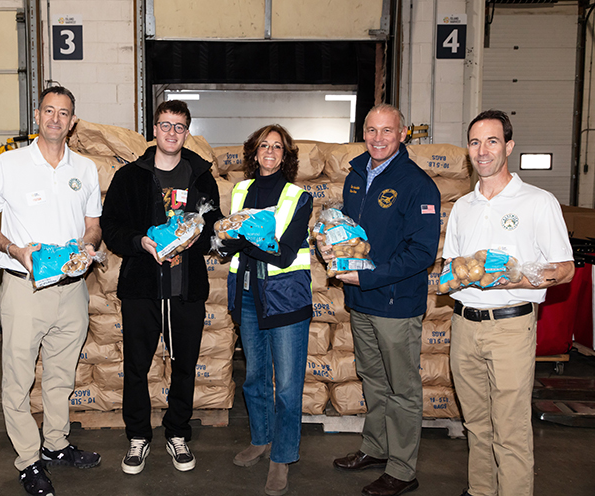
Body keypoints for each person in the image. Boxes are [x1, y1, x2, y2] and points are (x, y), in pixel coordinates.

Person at [0, 85, 102, 496]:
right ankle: (28, 460)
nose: (55, 119)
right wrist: (14, 249)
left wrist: (87, 246)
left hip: (72, 288)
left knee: (61, 375)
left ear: (72, 121)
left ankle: (55, 444)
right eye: (48, 111)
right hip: (24, 288)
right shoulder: (8, 164)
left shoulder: (84, 168)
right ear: (36, 115)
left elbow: (93, 225)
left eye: (64, 113)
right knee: (17, 378)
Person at [443, 110, 574, 496]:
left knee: (510, 428)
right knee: (477, 424)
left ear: (509, 147)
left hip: (511, 326)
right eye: (475, 142)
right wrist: (451, 276)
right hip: (464, 325)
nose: (482, 151)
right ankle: (481, 490)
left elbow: (565, 269)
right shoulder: (463, 207)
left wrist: (519, 277)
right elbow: (451, 266)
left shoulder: (537, 202)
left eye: (492, 141)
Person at [318, 104, 440, 496]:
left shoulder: (418, 184)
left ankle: (403, 470)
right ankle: (375, 447)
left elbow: (421, 253)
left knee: (402, 388)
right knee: (373, 379)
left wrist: (369, 276)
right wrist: (329, 242)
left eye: (387, 131)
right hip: (361, 300)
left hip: (395, 303)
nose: (378, 138)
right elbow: (353, 235)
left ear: (402, 134)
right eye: (371, 130)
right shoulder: (357, 176)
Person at [100, 100, 221, 476]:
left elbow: (213, 226)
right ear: (154, 129)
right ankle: (138, 436)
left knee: (184, 365)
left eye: (179, 127)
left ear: (188, 132)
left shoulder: (201, 176)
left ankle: (177, 432)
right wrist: (141, 242)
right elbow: (112, 229)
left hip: (186, 289)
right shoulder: (131, 176)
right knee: (136, 366)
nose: (172, 132)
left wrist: (192, 238)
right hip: (142, 288)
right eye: (165, 125)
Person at [225, 125, 313, 496]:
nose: (270, 151)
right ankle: (261, 439)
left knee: (288, 385)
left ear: (286, 155)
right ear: (254, 152)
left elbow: (286, 251)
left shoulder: (298, 197)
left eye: (278, 146)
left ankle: (283, 456)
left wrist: (241, 239)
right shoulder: (241, 190)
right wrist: (228, 238)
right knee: (255, 377)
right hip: (247, 296)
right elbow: (229, 243)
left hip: (286, 299)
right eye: (264, 145)